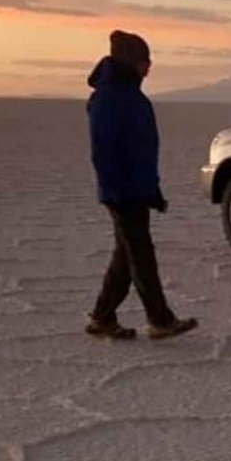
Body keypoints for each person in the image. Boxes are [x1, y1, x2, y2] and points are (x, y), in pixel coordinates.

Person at [85, 30, 198, 340]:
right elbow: (104, 150)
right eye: (144, 61)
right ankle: (159, 319)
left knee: (127, 255)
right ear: (130, 62)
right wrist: (117, 189)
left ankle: (102, 317)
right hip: (123, 191)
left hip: (134, 187)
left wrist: (150, 189)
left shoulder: (127, 95)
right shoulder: (109, 98)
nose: (149, 67)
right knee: (140, 255)